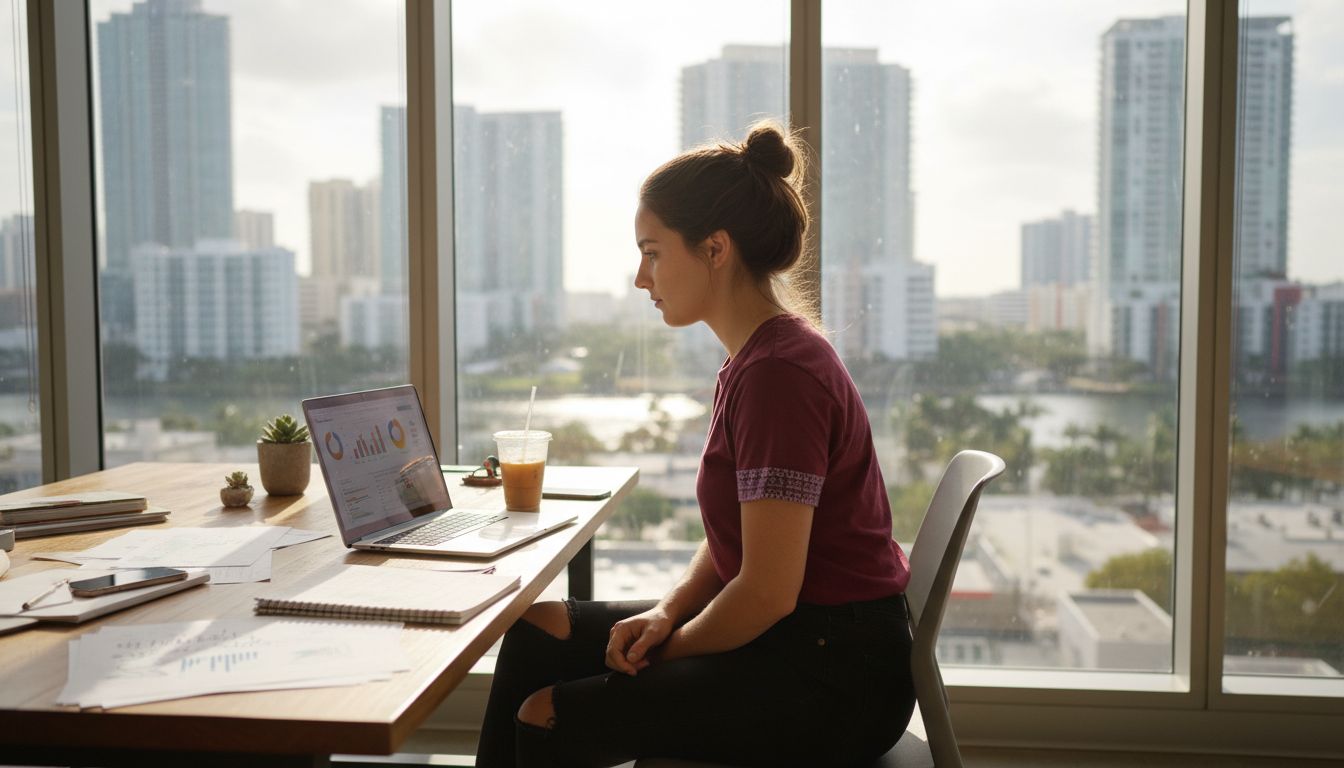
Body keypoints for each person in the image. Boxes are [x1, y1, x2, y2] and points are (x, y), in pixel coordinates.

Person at [476, 123, 916, 768]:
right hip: (797, 636)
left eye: (653, 253)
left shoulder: (778, 376)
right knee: (539, 629)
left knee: (546, 712)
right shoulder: (756, 360)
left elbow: (767, 592)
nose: (640, 277)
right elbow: (742, 538)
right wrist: (668, 611)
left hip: (834, 674)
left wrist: (667, 647)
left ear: (715, 249)